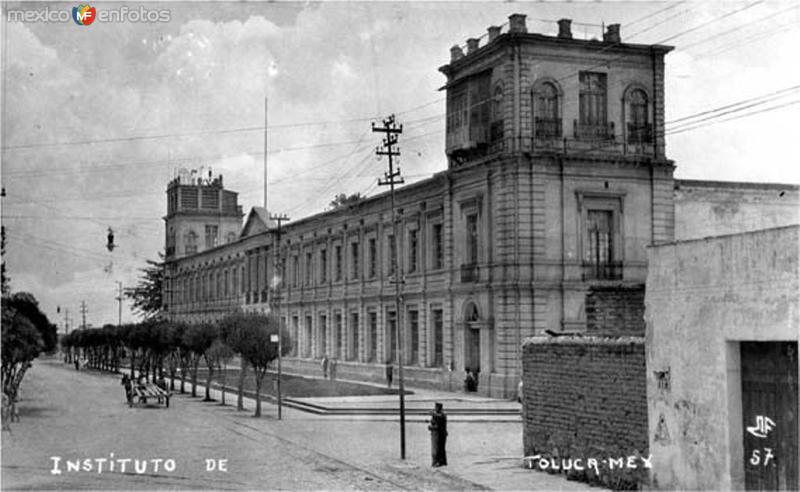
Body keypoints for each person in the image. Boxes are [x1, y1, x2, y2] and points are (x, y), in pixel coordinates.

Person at [428, 402, 448, 467]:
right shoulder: (439, 415)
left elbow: (438, 425)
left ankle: (438, 462)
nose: (436, 409)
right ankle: (441, 462)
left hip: (440, 434)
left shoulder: (441, 415)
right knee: (440, 448)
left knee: (438, 449)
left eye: (437, 407)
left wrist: (431, 427)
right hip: (440, 434)